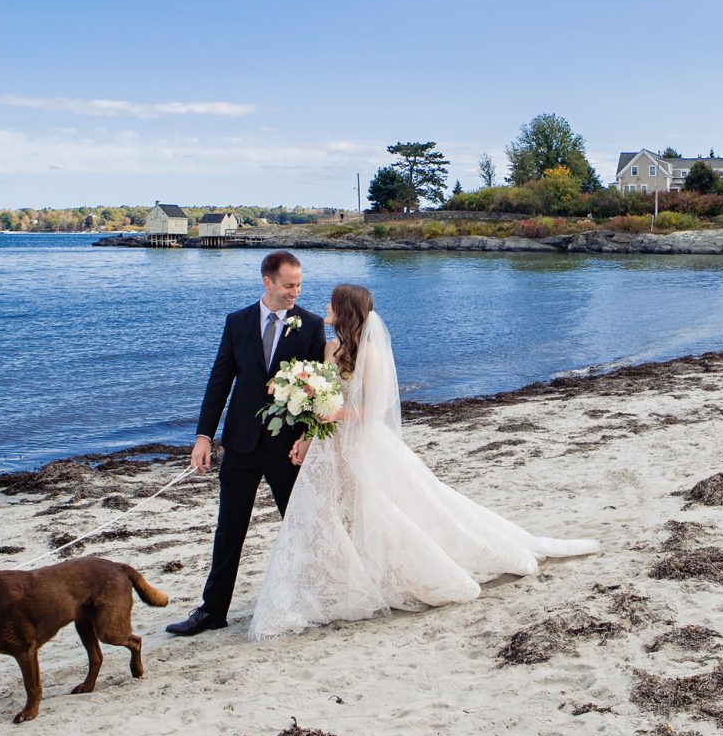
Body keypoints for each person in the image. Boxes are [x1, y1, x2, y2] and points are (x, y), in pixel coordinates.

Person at [249, 284, 597, 641]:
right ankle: (345, 576)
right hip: (330, 446)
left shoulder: (371, 355)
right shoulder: (330, 348)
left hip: (361, 444)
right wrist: (307, 438)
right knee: (334, 512)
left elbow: (374, 410)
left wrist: (337, 413)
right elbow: (322, 400)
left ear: (345, 310)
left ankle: (398, 573)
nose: (326, 306)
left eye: (333, 302)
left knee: (378, 508)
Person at [167, 250, 326, 637]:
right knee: (229, 527)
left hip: (286, 448)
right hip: (239, 444)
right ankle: (212, 610)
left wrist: (307, 438)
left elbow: (322, 389)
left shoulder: (311, 325)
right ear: (267, 282)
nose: (295, 292)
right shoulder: (236, 322)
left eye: (299, 285)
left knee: (300, 524)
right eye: (289, 285)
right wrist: (203, 436)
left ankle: (316, 598)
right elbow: (220, 381)